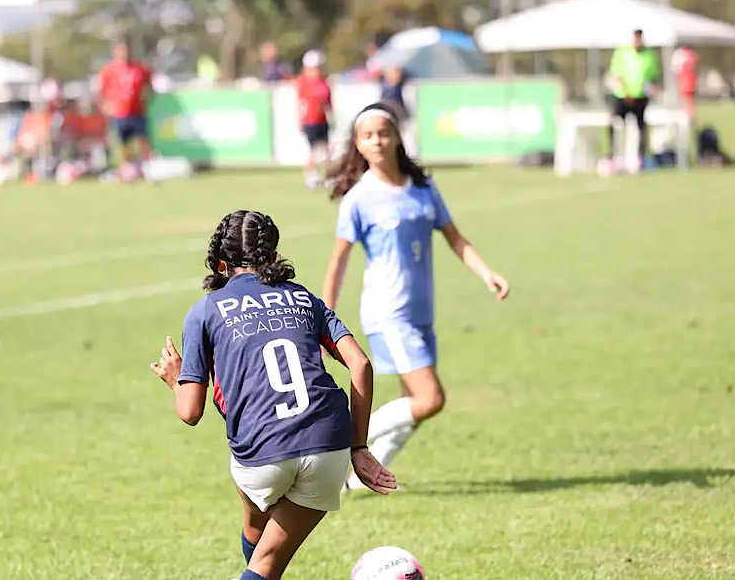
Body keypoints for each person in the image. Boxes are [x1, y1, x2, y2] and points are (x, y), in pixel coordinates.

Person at [151, 210, 396, 580]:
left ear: (220, 264)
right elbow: (360, 364)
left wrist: (175, 380)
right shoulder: (303, 298)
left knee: (262, 557)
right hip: (327, 446)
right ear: (272, 256)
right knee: (262, 549)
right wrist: (358, 447)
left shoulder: (203, 311)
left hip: (260, 453)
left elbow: (190, 412)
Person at [321, 102, 510, 491]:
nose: (376, 141)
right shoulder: (359, 198)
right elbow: (338, 261)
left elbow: (455, 238)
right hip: (388, 312)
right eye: (367, 135)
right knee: (430, 399)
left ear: (397, 138)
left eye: (383, 133)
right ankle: (339, 447)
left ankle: (360, 481)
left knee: (415, 409)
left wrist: (486, 272)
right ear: (358, 143)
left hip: (422, 311)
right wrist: (324, 317)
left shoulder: (423, 188)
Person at [96, 43, 154, 179]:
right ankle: (123, 174)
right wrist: (105, 106)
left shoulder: (139, 68)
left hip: (137, 112)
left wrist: (146, 100)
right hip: (119, 113)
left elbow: (149, 86)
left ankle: (148, 172)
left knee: (143, 142)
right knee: (122, 144)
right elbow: (100, 91)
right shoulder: (108, 70)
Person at [607, 29, 661, 168]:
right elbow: (617, 74)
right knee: (615, 123)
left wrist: (654, 90)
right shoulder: (622, 53)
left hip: (640, 97)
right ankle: (613, 155)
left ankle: (640, 157)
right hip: (623, 96)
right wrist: (626, 93)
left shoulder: (649, 55)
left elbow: (653, 76)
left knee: (641, 126)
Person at [295, 50, 332, 190]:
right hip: (310, 121)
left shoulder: (324, 82)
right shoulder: (303, 83)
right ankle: (312, 177)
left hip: (323, 121)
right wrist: (299, 120)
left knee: (326, 151)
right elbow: (300, 103)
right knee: (310, 151)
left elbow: (329, 103)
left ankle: (329, 177)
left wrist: (330, 114)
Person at [671, 45, 698, 122]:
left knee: (687, 100)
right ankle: (687, 115)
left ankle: (688, 116)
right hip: (685, 83)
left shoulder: (687, 56)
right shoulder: (686, 56)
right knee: (685, 100)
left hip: (687, 83)